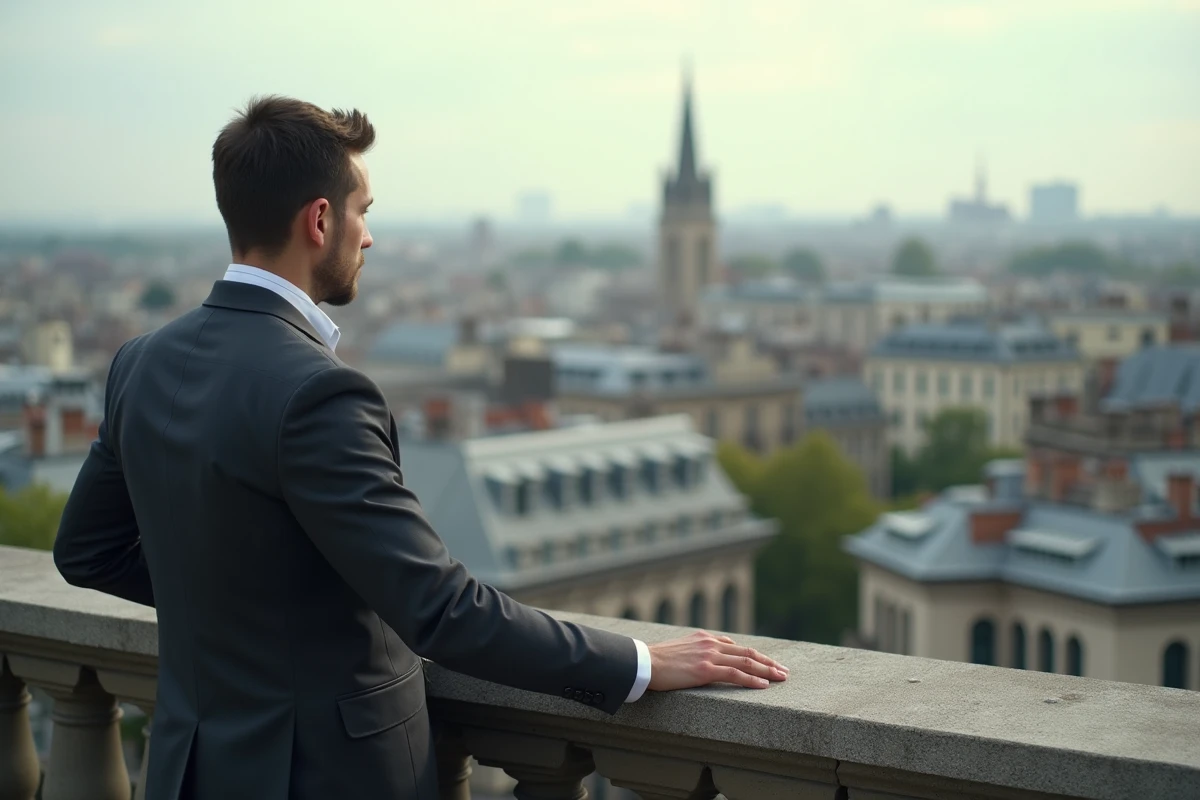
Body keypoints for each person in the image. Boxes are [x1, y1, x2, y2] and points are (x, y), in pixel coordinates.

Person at [52, 96, 788, 800]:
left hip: (187, 768)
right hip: (320, 777)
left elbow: (86, 552)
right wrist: (639, 662)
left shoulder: (139, 362)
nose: (369, 237)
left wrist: (236, 606)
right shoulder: (319, 392)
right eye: (364, 212)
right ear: (319, 220)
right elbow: (440, 609)